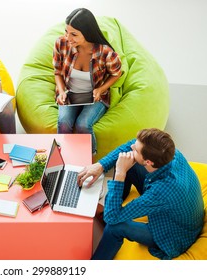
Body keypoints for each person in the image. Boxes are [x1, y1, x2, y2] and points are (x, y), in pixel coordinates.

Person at [77, 128, 204, 259]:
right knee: (125, 160)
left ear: (149, 162)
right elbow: (131, 145)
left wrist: (120, 173)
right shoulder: (170, 153)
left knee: (115, 226)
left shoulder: (159, 192)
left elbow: (112, 219)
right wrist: (101, 165)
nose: (132, 146)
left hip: (173, 235)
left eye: (136, 149)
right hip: (178, 209)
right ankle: (114, 206)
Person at [53, 8, 122, 154]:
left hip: (94, 96)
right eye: (66, 32)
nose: (68, 37)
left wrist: (100, 89)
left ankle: (88, 160)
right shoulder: (61, 43)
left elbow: (116, 73)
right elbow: (57, 72)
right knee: (63, 123)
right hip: (70, 93)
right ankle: (62, 156)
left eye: (74, 34)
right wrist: (61, 91)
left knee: (83, 125)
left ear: (87, 32)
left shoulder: (105, 53)